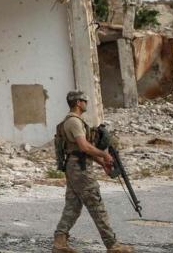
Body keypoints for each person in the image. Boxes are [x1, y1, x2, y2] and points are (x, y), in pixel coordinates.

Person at [53, 91, 134, 252]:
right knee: (96, 205)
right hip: (79, 169)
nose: (86, 103)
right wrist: (104, 154)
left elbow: (81, 150)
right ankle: (112, 245)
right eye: (84, 100)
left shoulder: (73, 121)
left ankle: (60, 242)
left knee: (73, 206)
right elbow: (84, 147)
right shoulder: (74, 122)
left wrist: (102, 163)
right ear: (77, 103)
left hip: (76, 166)